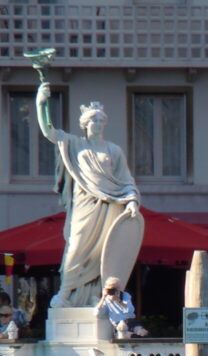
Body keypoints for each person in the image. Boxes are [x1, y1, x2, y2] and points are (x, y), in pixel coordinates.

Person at [36, 83, 143, 308]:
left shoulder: (114, 150)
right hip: (84, 203)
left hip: (111, 203)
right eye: (93, 120)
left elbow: (125, 179)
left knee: (104, 252)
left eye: (101, 120)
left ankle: (96, 294)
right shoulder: (75, 144)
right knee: (76, 246)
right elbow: (48, 131)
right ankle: (65, 293)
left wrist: (132, 199)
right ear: (85, 124)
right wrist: (41, 102)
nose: (97, 124)